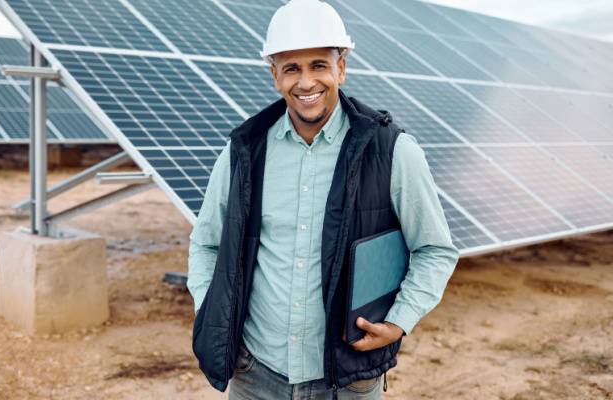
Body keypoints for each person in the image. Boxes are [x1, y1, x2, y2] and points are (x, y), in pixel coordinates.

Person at [187, 0, 459, 398]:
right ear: (274, 75)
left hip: (348, 379)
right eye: (291, 68)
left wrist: (399, 321)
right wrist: (212, 312)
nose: (306, 82)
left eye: (319, 65)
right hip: (255, 374)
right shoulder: (244, 152)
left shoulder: (392, 151)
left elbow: (434, 250)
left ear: (341, 68)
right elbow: (206, 243)